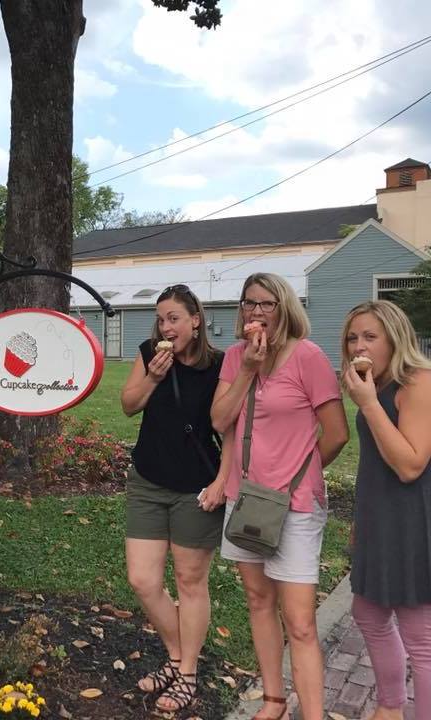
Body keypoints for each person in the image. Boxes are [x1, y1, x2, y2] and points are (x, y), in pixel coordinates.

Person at [211, 272, 348, 720]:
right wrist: (249, 368)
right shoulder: (235, 358)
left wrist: (301, 476)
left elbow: (336, 433)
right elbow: (220, 420)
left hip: (295, 506)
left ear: (284, 307)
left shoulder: (306, 357)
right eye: (249, 303)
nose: (255, 312)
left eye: (266, 303)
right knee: (257, 600)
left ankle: (313, 713)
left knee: (302, 621)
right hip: (245, 499)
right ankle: (274, 699)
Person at [120, 284, 230, 713]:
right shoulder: (150, 353)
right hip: (148, 480)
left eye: (174, 318)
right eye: (161, 319)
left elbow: (231, 431)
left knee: (189, 582)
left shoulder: (219, 365)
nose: (165, 327)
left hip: (195, 488)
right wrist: (153, 377)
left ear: (196, 320)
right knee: (143, 580)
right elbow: (128, 405)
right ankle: (179, 656)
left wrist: (222, 481)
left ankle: (185, 673)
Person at [342, 300, 431, 720]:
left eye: (370, 336)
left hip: (414, 523)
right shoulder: (373, 388)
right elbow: (372, 463)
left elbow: (410, 465)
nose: (359, 345)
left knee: (421, 637)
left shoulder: (419, 383)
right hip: (379, 521)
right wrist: (361, 520)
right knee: (368, 612)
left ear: (395, 338)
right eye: (353, 337)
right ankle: (390, 706)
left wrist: (369, 405)